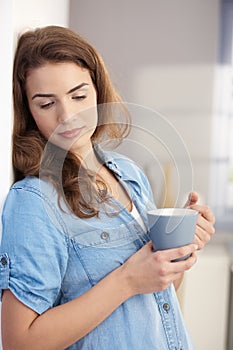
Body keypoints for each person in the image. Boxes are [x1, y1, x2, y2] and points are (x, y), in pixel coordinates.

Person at [0, 25, 215, 350]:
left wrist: (179, 244)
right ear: (28, 110)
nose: (67, 116)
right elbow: (20, 341)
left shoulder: (128, 172)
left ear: (98, 90)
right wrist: (127, 281)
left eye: (79, 96)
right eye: (47, 104)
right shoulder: (34, 201)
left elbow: (156, 292)